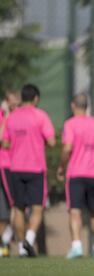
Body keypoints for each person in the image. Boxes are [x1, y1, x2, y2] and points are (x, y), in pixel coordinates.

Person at [2, 84, 56, 257]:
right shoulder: (41, 116)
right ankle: (29, 240)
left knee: (18, 208)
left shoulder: (12, 118)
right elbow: (52, 141)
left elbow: (5, 143)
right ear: (36, 99)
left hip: (16, 168)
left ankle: (21, 247)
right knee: (37, 208)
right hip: (36, 168)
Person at [57, 94, 94, 260]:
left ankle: (77, 246)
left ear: (73, 105)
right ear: (86, 106)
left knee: (75, 211)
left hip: (76, 173)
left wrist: (61, 166)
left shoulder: (70, 124)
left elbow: (67, 148)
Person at [0, 90, 21, 257]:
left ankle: (6, 240)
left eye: (17, 103)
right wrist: (6, 116)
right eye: (11, 103)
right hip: (5, 165)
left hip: (20, 165)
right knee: (15, 205)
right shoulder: (4, 116)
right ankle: (5, 241)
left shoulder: (21, 116)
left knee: (18, 207)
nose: (15, 106)